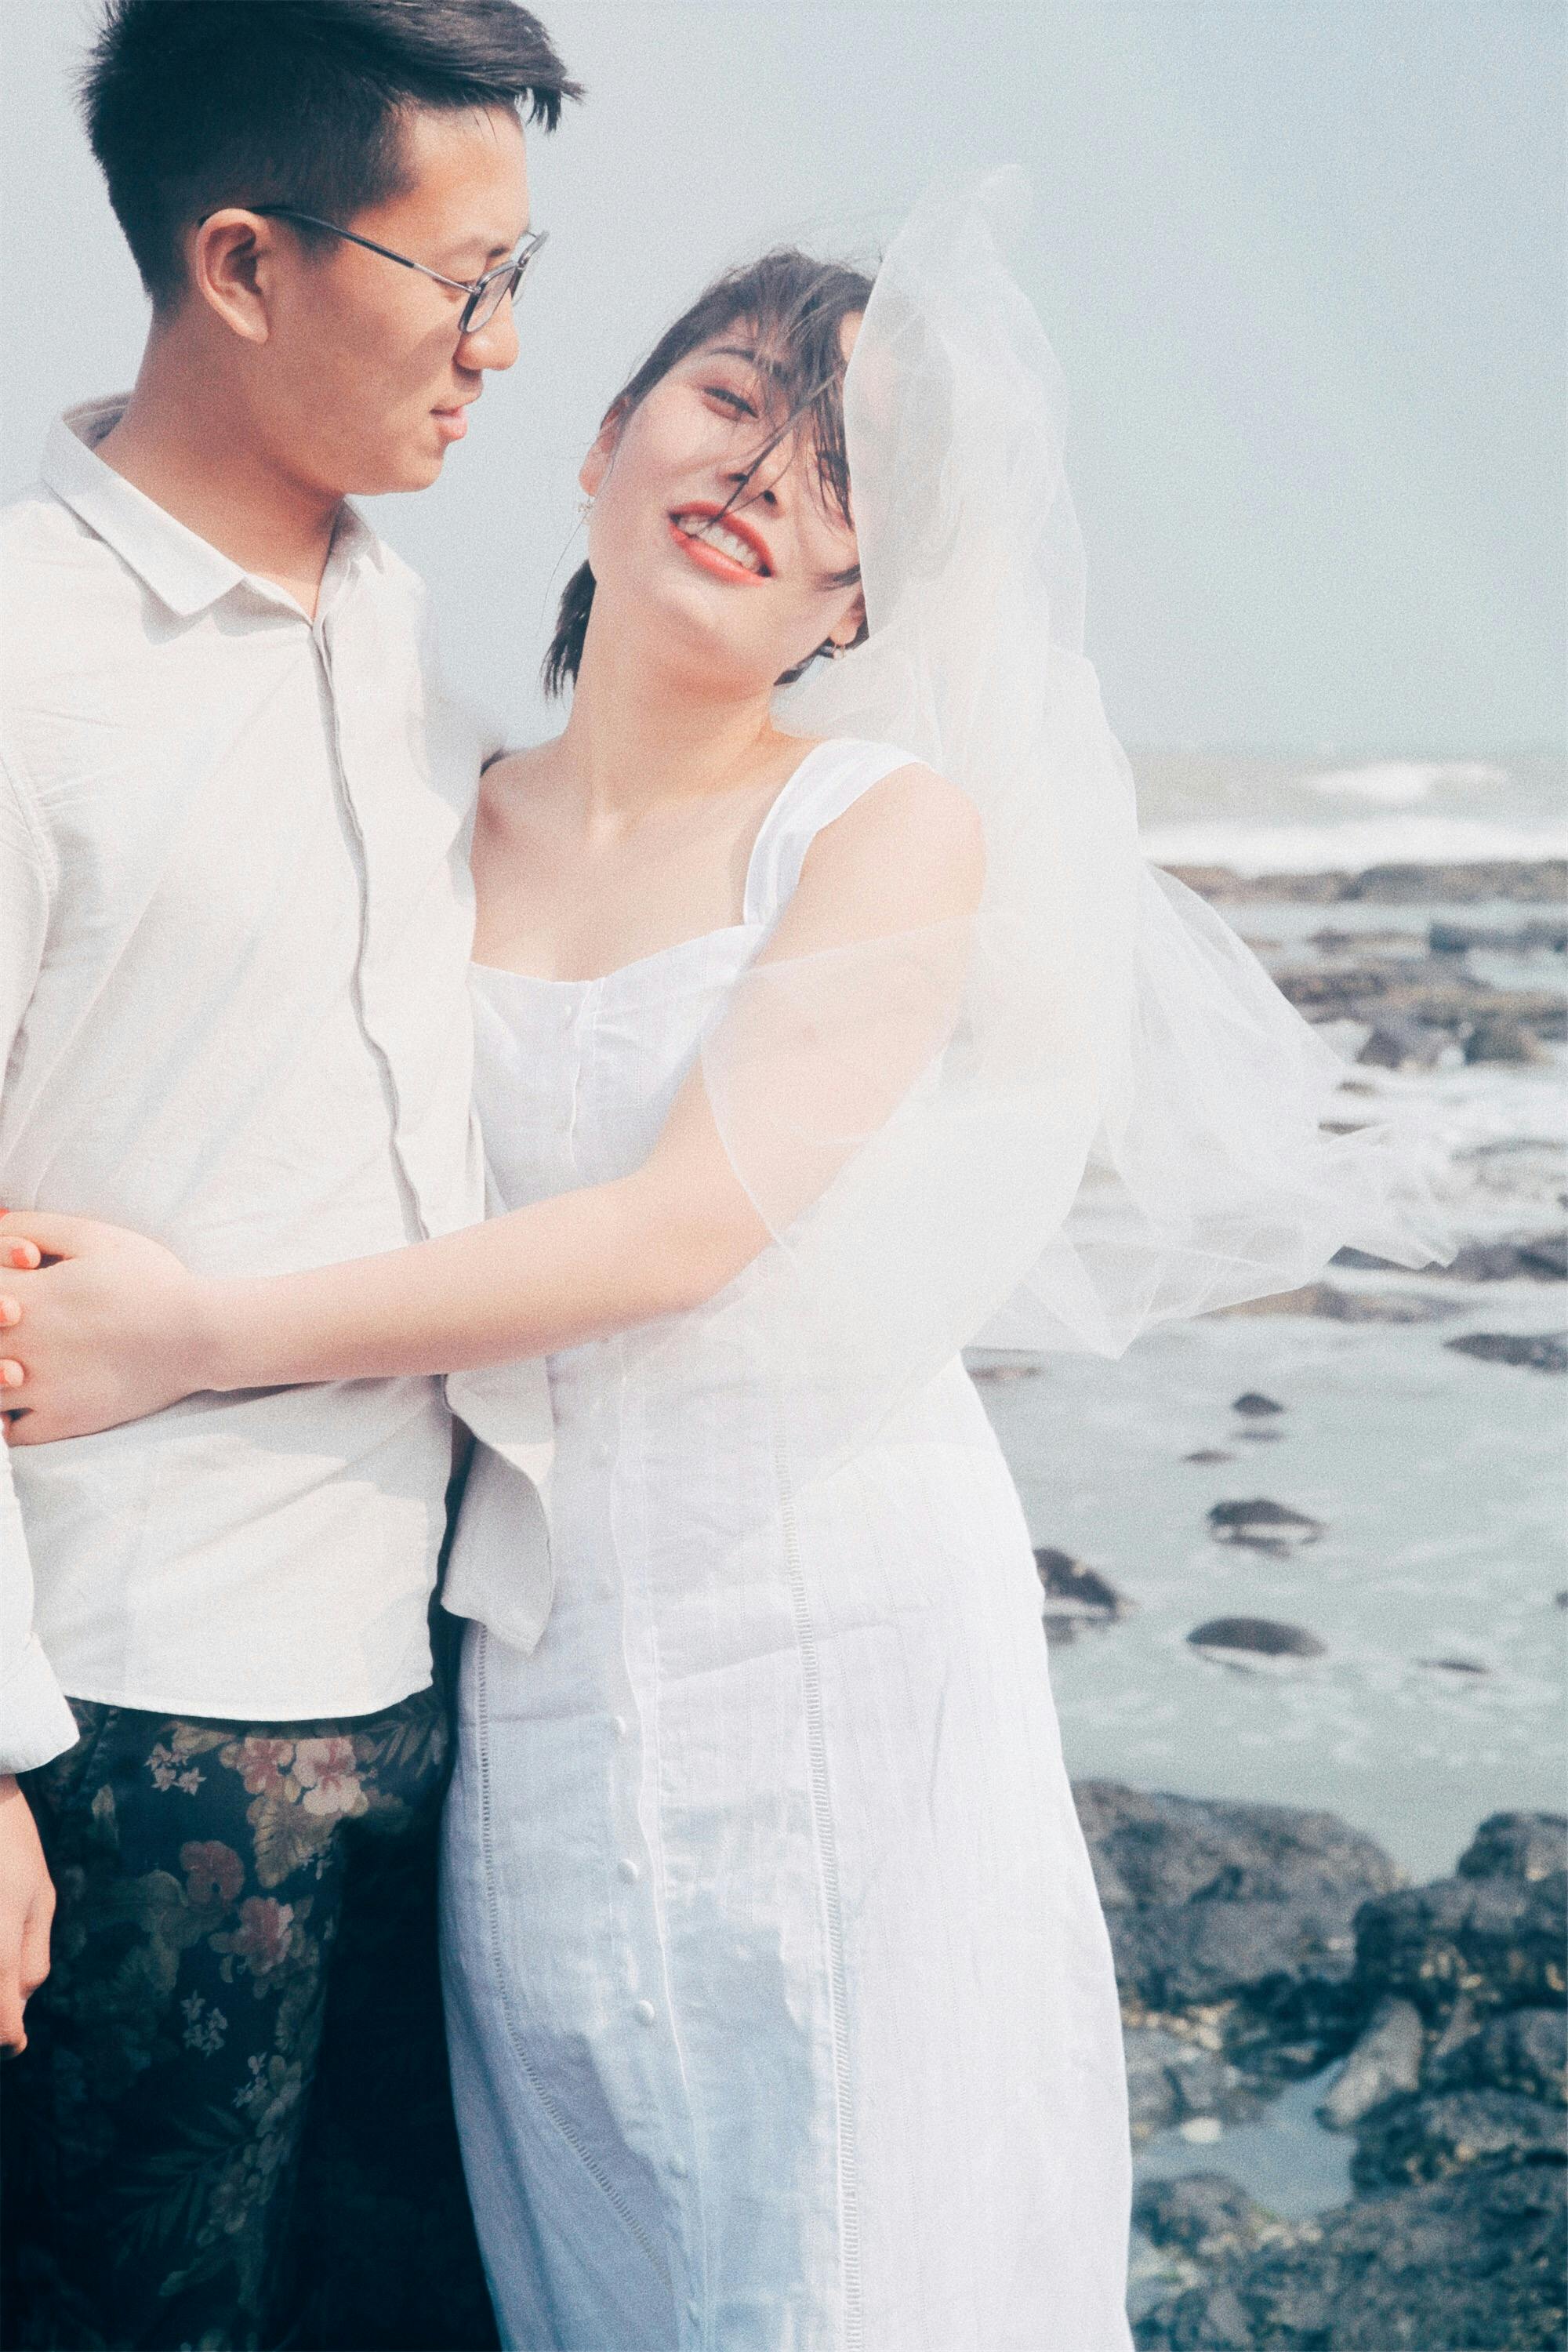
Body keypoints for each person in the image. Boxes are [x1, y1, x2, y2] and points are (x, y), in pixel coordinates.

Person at [2, 183, 1444, 2349]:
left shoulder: (876, 832)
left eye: (839, 475)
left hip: (838, 1633)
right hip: (535, 1680)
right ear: (598, 444)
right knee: (596, 2255)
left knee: (858, 2262)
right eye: (732, 399)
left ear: (868, 591)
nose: (768, 476)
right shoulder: (426, 816)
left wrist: (191, 1337)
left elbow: (676, 1234)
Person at [0, 3, 576, 2346]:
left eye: (525, 276)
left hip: (424, 1683)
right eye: (460, 285)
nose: (504, 351)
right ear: (240, 263)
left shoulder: (391, 619)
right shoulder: (31, 657)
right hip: (135, 1735)